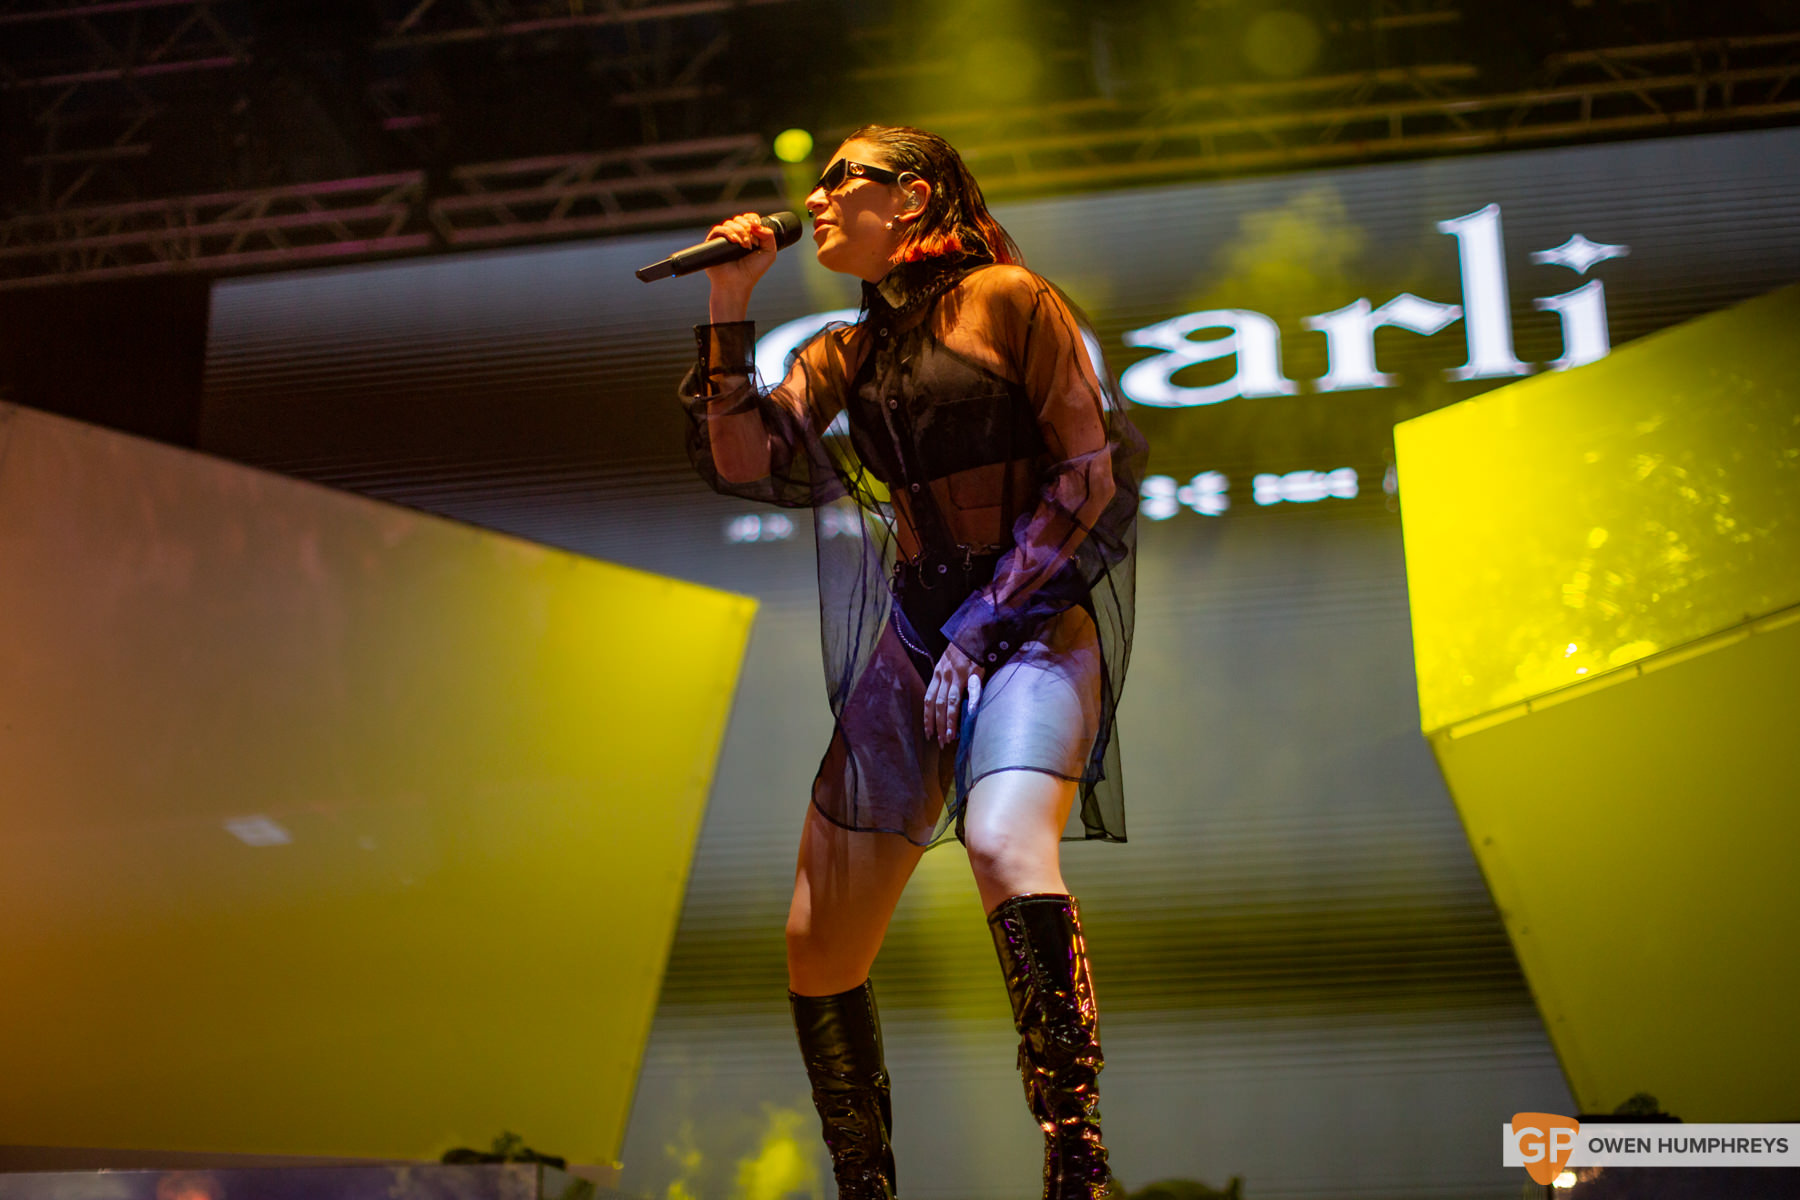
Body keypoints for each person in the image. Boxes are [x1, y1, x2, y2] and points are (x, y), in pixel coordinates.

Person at [677, 124, 1145, 1200]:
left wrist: (985, 627)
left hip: (1029, 622)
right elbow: (744, 454)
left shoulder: (1013, 301)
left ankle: (1075, 1153)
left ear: (917, 195)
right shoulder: (845, 349)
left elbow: (1093, 475)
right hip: (919, 637)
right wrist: (727, 301)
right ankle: (865, 1185)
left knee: (1001, 840)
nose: (819, 199)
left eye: (843, 178)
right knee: (816, 936)